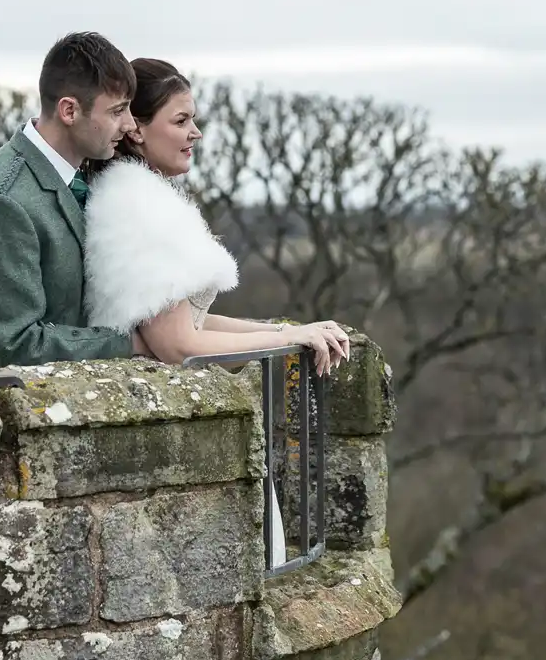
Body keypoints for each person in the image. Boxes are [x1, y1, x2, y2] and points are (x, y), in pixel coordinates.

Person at [81, 58, 353, 565]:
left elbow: (190, 323)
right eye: (181, 120)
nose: (196, 133)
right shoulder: (141, 209)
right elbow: (178, 346)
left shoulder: (142, 197)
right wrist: (286, 342)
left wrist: (289, 331)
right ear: (136, 129)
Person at [0, 33, 147, 376]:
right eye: (117, 111)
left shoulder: (79, 175)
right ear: (69, 110)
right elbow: (19, 345)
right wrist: (129, 343)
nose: (128, 125)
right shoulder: (1, 203)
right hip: (6, 421)